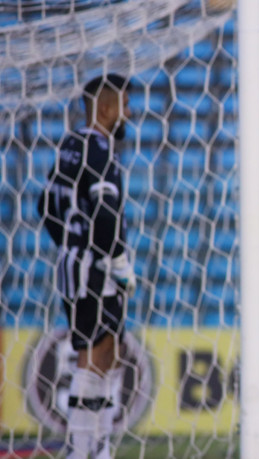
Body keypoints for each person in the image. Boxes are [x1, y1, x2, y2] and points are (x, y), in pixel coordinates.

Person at [38, 74, 134, 459]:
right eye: (126, 105)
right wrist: (118, 260)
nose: (130, 113)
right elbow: (106, 210)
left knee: (106, 350)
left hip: (75, 261)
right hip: (94, 266)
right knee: (93, 355)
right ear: (108, 108)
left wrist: (66, 244)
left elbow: (44, 205)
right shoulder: (97, 149)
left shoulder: (70, 146)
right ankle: (82, 450)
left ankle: (98, 447)